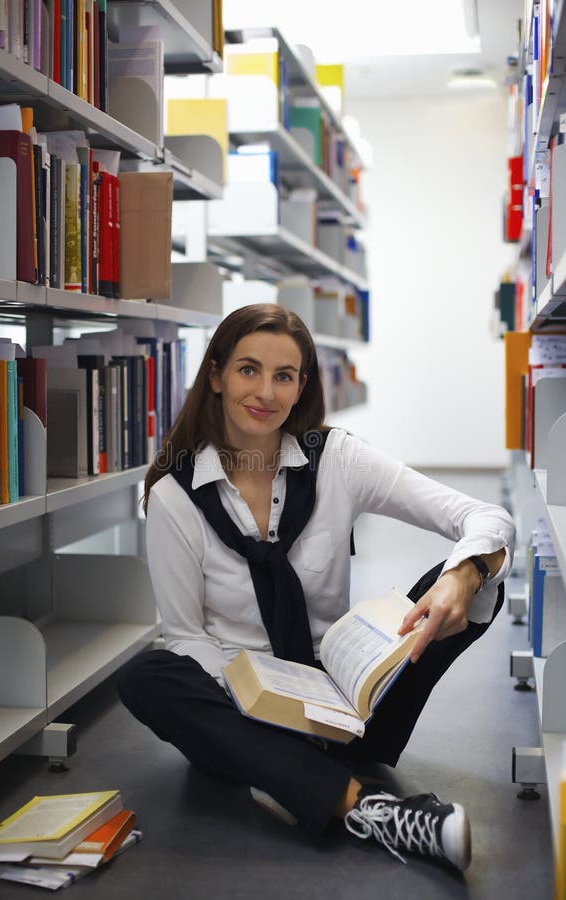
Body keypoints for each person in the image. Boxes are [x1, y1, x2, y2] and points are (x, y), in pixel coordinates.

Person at [117, 303, 515, 871]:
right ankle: (369, 807)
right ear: (216, 375)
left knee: (478, 584)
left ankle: (295, 781)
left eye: (284, 376)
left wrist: (463, 574)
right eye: (248, 370)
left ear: (303, 385)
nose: (265, 392)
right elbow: (187, 638)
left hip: (353, 708)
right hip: (246, 717)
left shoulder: (338, 460)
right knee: (146, 676)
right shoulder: (174, 496)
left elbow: (484, 517)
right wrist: (260, 704)